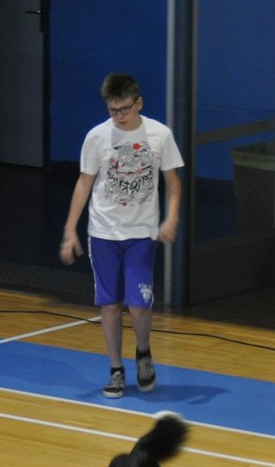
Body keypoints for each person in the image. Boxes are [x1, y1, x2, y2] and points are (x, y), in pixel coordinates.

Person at [60, 72, 184, 399]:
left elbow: (172, 182)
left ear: (139, 102)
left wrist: (171, 218)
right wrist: (70, 229)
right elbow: (84, 183)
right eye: (113, 110)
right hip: (103, 233)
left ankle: (143, 352)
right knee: (110, 303)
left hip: (141, 234)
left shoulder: (160, 135)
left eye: (125, 109)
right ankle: (116, 369)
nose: (119, 117)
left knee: (139, 304)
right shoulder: (97, 138)